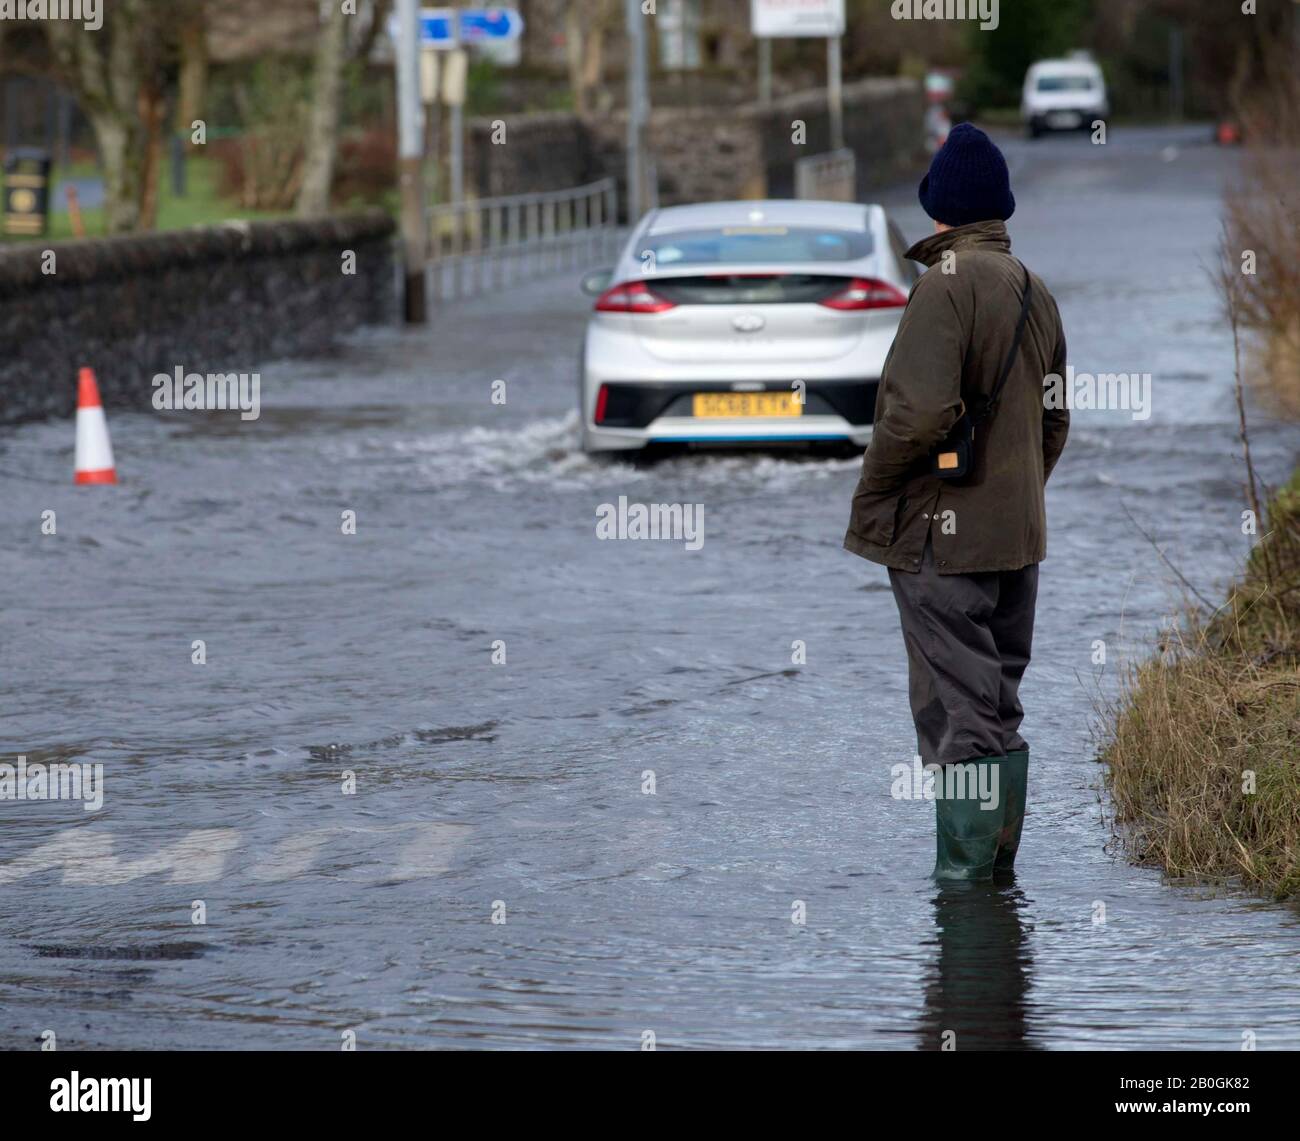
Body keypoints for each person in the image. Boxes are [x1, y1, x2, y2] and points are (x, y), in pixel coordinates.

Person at [844, 123, 1069, 881]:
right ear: (997, 209)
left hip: (943, 542)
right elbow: (1056, 416)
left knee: (957, 712)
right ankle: (998, 881)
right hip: (1018, 539)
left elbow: (917, 415)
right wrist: (1017, 493)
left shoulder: (943, 285)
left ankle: (966, 893)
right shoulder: (1036, 289)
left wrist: (874, 491)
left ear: (940, 210)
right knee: (997, 703)